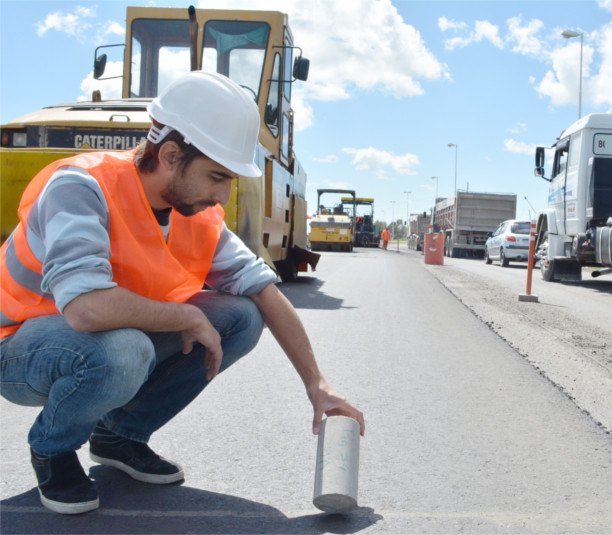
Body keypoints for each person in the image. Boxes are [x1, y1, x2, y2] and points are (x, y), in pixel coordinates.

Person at [0, 71, 364, 515]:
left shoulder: (197, 215)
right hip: (20, 342)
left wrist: (318, 384)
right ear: (170, 154)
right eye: (216, 177)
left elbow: (265, 292)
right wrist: (188, 319)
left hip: (103, 334)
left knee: (242, 316)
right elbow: (87, 310)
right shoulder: (82, 187)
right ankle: (52, 447)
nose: (222, 195)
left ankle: (119, 436)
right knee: (125, 350)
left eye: (229, 180)